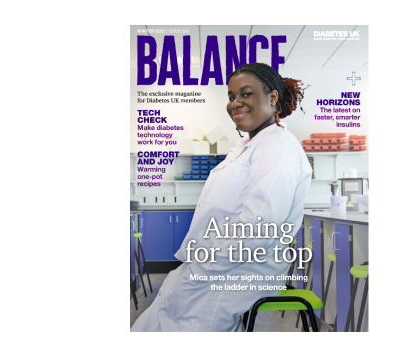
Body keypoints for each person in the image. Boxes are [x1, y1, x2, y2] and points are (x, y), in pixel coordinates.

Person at [130, 63, 312, 332]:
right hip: (218, 265)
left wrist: (205, 265)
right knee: (159, 319)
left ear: (273, 98)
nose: (235, 103)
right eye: (231, 96)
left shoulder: (277, 146)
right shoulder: (248, 144)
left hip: (234, 270)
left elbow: (258, 226)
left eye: (246, 94)